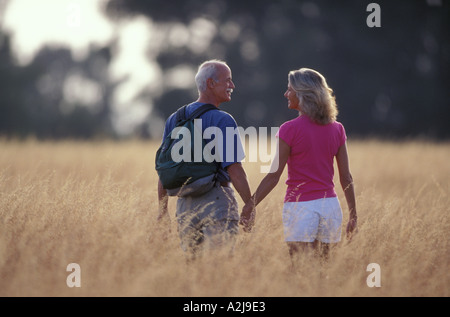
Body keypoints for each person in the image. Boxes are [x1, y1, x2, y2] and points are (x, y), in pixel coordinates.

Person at [240, 68, 357, 265]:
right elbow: (346, 177)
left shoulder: (289, 129)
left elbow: (273, 175)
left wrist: (250, 205)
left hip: (300, 207)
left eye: (289, 90)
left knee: (300, 269)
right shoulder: (337, 129)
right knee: (323, 268)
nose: (286, 94)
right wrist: (353, 215)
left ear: (303, 94)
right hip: (330, 207)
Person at [157, 60, 253, 259]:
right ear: (210, 83)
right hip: (217, 200)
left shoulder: (175, 118)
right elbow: (234, 169)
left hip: (185, 205)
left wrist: (162, 210)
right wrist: (249, 204)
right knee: (219, 268)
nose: (232, 86)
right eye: (228, 81)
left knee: (194, 269)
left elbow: (165, 169)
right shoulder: (223, 119)